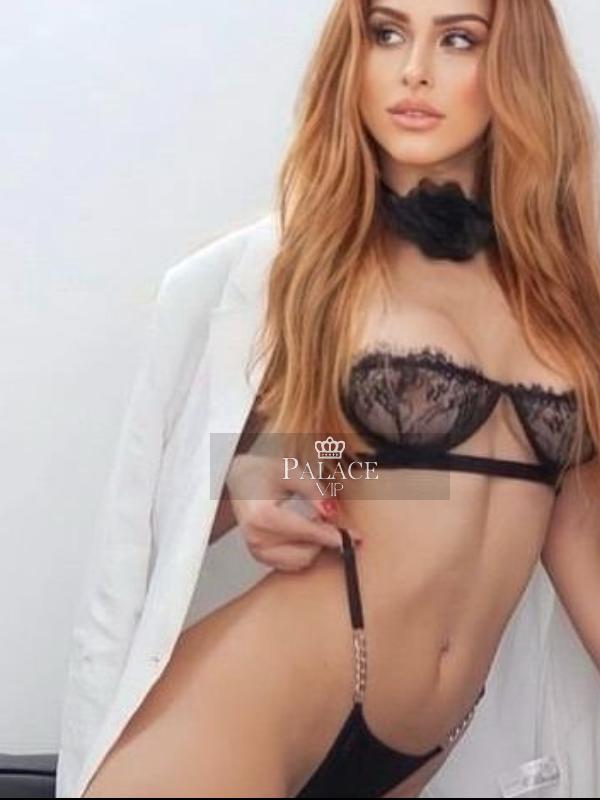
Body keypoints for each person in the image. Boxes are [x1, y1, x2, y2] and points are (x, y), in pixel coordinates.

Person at [58, 0, 600, 797]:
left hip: (411, 755)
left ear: (516, 67)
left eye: (458, 39)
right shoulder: (306, 261)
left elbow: (497, 498)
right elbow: (173, 495)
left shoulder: (562, 294)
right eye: (386, 33)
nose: (413, 69)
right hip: (248, 715)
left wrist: (297, 464)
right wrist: (254, 474)